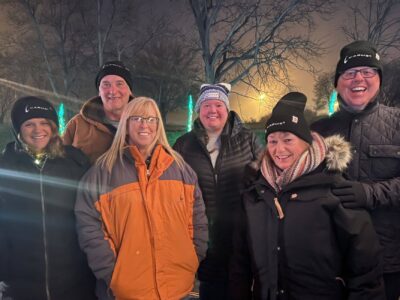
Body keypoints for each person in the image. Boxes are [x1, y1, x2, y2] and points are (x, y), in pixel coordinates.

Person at [229, 92, 385, 299]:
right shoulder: (254, 193)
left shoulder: (335, 189)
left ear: (306, 142)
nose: (279, 149)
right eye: (272, 141)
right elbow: (240, 265)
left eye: (288, 139)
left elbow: (365, 270)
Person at [75, 97, 208, 300]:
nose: (145, 124)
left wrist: (191, 258)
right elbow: (89, 228)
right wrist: (115, 275)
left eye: (151, 119)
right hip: (127, 292)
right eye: (137, 118)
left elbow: (197, 220)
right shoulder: (103, 172)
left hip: (179, 289)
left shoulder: (181, 169)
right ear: (126, 124)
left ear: (158, 125)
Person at [311, 40, 400, 300]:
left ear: (379, 79)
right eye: (349, 73)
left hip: (389, 260)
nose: (358, 78)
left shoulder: (398, 122)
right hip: (333, 258)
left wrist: (371, 194)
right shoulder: (319, 130)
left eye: (367, 71)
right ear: (338, 82)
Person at [173, 83, 264, 300]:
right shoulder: (184, 145)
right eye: (206, 105)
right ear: (199, 111)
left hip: (240, 234)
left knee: (240, 288)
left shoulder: (247, 139)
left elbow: (265, 177)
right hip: (204, 237)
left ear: (227, 109)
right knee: (210, 289)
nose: (212, 110)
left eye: (217, 105)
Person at [0, 96, 96, 300]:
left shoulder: (75, 163)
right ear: (18, 130)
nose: (38, 130)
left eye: (44, 123)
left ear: (53, 127)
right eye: (29, 124)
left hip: (74, 282)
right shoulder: (5, 166)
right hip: (21, 285)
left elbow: (91, 216)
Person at [63, 60, 134, 163]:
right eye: (106, 84)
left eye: (119, 84)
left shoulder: (146, 123)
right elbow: (60, 163)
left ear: (129, 90)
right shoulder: (77, 125)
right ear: (99, 91)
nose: (113, 91)